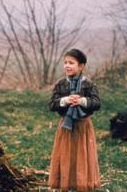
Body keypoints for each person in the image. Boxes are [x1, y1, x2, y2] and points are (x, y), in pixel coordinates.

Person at [48, 49, 101, 192]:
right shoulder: (61, 84)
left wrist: (82, 101)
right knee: (66, 155)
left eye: (71, 63)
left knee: (82, 155)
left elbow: (96, 103)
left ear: (81, 66)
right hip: (66, 126)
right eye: (65, 62)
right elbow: (52, 104)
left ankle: (82, 183)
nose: (67, 66)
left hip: (83, 127)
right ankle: (66, 183)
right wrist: (65, 100)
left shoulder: (88, 84)